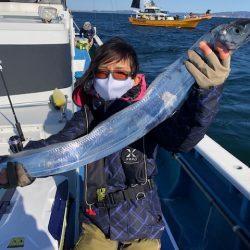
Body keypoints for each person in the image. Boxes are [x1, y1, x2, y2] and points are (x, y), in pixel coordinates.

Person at [0, 37, 230, 249]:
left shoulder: (148, 112)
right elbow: (59, 144)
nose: (110, 79)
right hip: (97, 220)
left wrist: (207, 91)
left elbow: (182, 140)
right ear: (93, 75)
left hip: (144, 222)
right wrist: (17, 162)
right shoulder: (88, 114)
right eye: (103, 72)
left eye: (120, 73)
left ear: (134, 78)